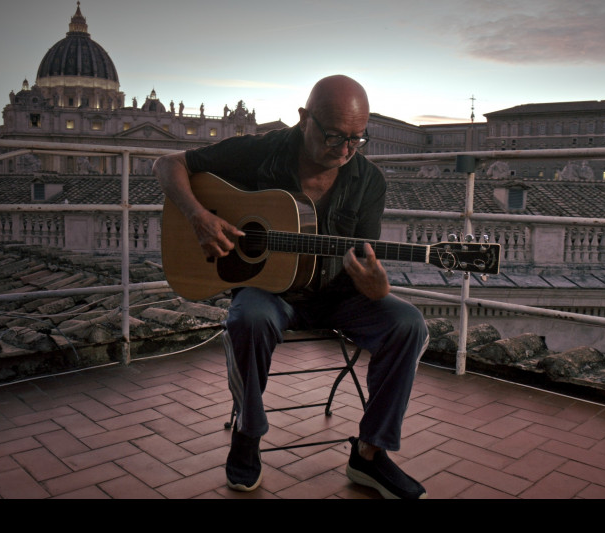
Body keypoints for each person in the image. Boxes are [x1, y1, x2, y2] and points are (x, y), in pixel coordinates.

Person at [153, 75, 429, 499]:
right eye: (335, 135)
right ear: (305, 119)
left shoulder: (369, 180)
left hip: (339, 296)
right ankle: (247, 434)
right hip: (268, 291)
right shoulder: (259, 151)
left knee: (409, 323)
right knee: (247, 318)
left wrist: (377, 288)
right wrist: (198, 217)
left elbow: (363, 260)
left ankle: (370, 455)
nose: (345, 149)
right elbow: (167, 164)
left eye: (358, 138)